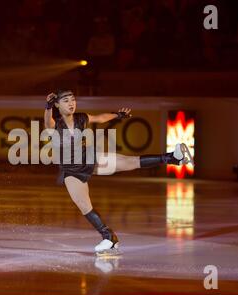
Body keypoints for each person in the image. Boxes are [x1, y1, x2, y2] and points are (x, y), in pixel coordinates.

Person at [43, 89, 193, 255]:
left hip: (89, 158)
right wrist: (48, 107)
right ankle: (109, 237)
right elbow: (47, 123)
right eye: (66, 101)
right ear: (57, 104)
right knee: (84, 205)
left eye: (72, 99)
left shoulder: (81, 118)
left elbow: (100, 118)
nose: (71, 103)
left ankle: (172, 158)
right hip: (71, 170)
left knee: (130, 162)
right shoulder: (55, 123)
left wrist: (117, 115)